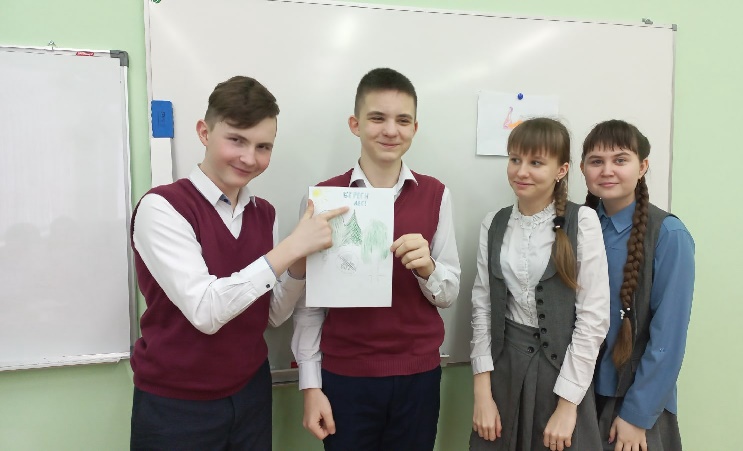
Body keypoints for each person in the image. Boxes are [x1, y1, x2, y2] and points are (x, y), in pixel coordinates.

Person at [129, 75, 346, 450]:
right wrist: (289, 248)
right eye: (236, 140)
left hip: (251, 394)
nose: (249, 158)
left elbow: (270, 315)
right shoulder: (162, 207)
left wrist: (299, 263)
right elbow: (206, 311)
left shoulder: (264, 213)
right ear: (204, 132)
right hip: (177, 404)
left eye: (263, 147)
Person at [291, 67, 461, 451]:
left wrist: (428, 269)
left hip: (418, 376)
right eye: (377, 118)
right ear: (355, 124)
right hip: (345, 378)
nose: (390, 130)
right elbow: (309, 306)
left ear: (415, 128)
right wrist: (310, 386)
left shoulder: (436, 194)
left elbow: (448, 294)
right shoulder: (323, 199)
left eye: (402, 120)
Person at [470, 118, 610, 451]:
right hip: (503, 370)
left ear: (561, 170)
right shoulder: (494, 223)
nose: (521, 171)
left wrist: (568, 405)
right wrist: (482, 393)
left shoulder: (582, 221)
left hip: (561, 374)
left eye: (536, 162)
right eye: (515, 159)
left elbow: (593, 318)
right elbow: (482, 306)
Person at [581, 119, 695, 451]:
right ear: (582, 168)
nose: (607, 170)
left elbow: (668, 339)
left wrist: (637, 415)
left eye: (620, 160)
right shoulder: (579, 227)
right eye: (596, 161)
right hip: (579, 396)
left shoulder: (668, 235)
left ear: (642, 166)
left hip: (633, 403)